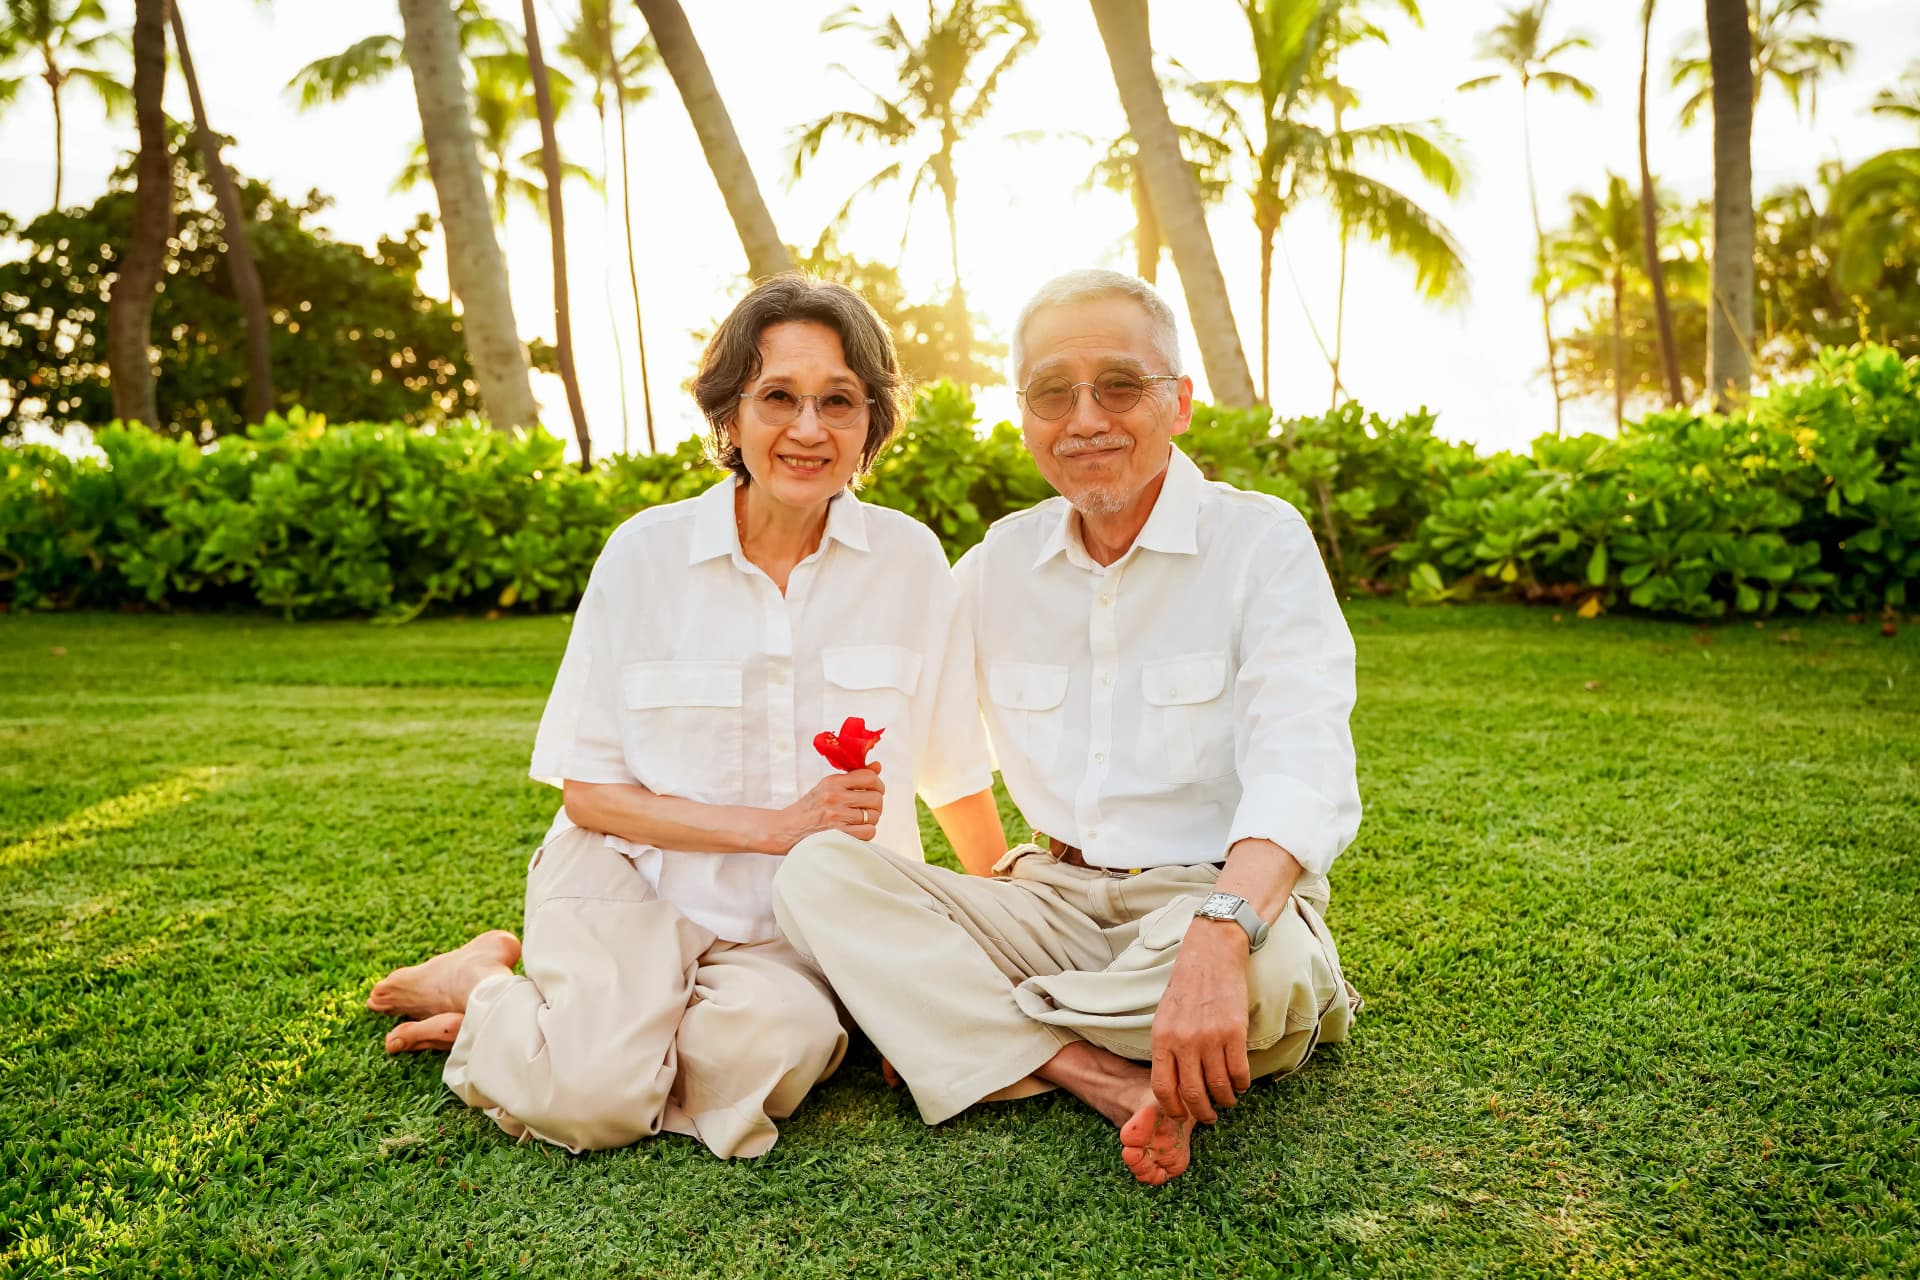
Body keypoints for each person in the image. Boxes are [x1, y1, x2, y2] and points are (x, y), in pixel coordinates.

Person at [366, 276, 1003, 1159]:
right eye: (778, 397)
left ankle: (559, 1032)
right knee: (591, 1102)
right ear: (729, 417)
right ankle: (483, 984)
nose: (809, 429)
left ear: (870, 424)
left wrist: (997, 948)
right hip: (630, 882)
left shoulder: (910, 560)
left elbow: (953, 770)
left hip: (790, 934)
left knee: (781, 1050)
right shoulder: (644, 555)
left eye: (839, 402)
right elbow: (590, 794)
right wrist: (775, 829)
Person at [772, 268, 1362, 1186]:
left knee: (1264, 976)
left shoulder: (1262, 544)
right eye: (1054, 391)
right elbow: (926, 730)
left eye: (1119, 385)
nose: (1086, 416)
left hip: (1213, 901)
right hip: (1051, 900)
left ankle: (972, 1026)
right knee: (815, 874)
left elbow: (1305, 760)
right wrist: (990, 878)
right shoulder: (996, 564)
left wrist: (1217, 931)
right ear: (1025, 418)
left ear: (1180, 403)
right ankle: (1095, 1072)